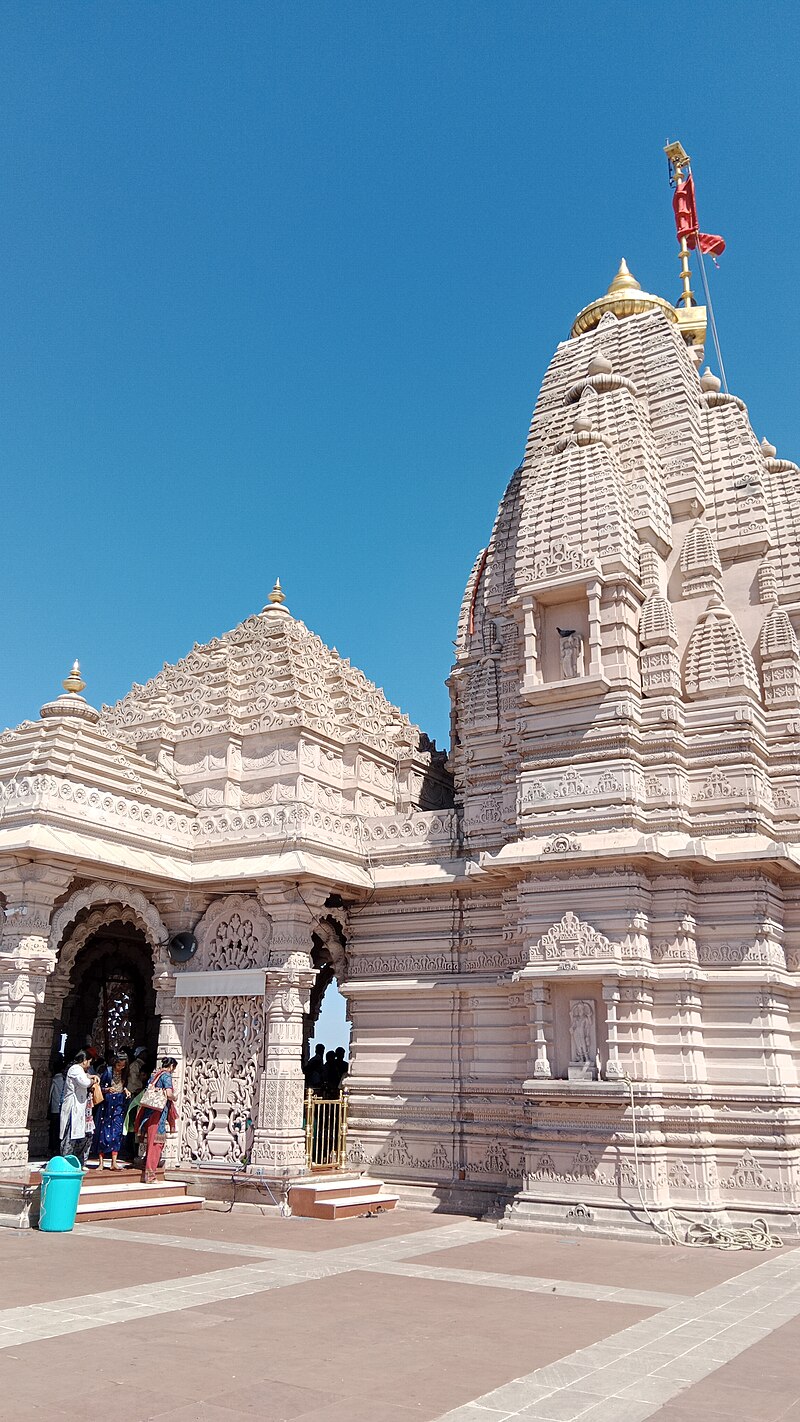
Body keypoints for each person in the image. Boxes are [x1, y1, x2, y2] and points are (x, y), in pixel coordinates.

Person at [135, 1057, 178, 1183]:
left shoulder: (154, 1074)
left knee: (151, 1143)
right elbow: (169, 1094)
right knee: (156, 1144)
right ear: (171, 1066)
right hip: (158, 1114)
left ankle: (148, 1172)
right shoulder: (166, 1076)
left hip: (150, 1112)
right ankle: (150, 1175)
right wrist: (174, 1097)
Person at [60, 1050, 99, 1165]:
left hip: (81, 1107)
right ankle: (66, 1162)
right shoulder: (75, 1069)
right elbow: (84, 1082)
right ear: (85, 1061)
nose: (89, 1065)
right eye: (89, 1062)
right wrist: (92, 1080)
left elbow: (85, 1077)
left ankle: (78, 1161)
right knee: (70, 1136)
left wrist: (91, 1076)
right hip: (73, 1107)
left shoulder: (79, 1070)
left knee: (83, 1135)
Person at [96, 1054, 131, 1170]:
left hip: (119, 1104)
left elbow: (123, 1085)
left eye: (123, 1066)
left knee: (117, 1132)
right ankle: (101, 1162)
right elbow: (99, 1087)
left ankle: (114, 1162)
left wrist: (125, 1090)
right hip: (107, 1104)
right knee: (103, 1132)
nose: (120, 1068)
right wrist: (107, 1089)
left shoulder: (124, 1073)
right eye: (119, 1065)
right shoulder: (108, 1072)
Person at [48, 1057, 65, 1157]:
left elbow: (50, 1094)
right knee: (59, 1129)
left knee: (53, 1129)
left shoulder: (54, 1079)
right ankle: (58, 1148)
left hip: (54, 1107)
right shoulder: (64, 1079)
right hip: (62, 1108)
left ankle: (52, 1148)